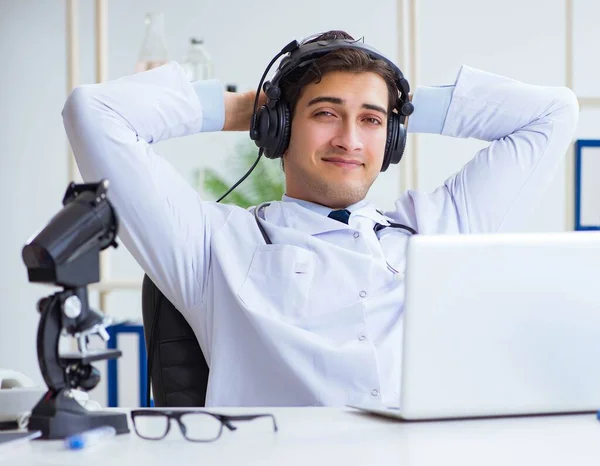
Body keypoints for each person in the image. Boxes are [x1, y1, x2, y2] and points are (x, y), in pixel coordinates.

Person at [62, 30, 579, 407]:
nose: (350, 140)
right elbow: (93, 112)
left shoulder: (437, 229)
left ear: (392, 138)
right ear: (281, 129)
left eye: (371, 122)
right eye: (325, 114)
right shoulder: (211, 243)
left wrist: (401, 109)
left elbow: (554, 113)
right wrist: (251, 109)